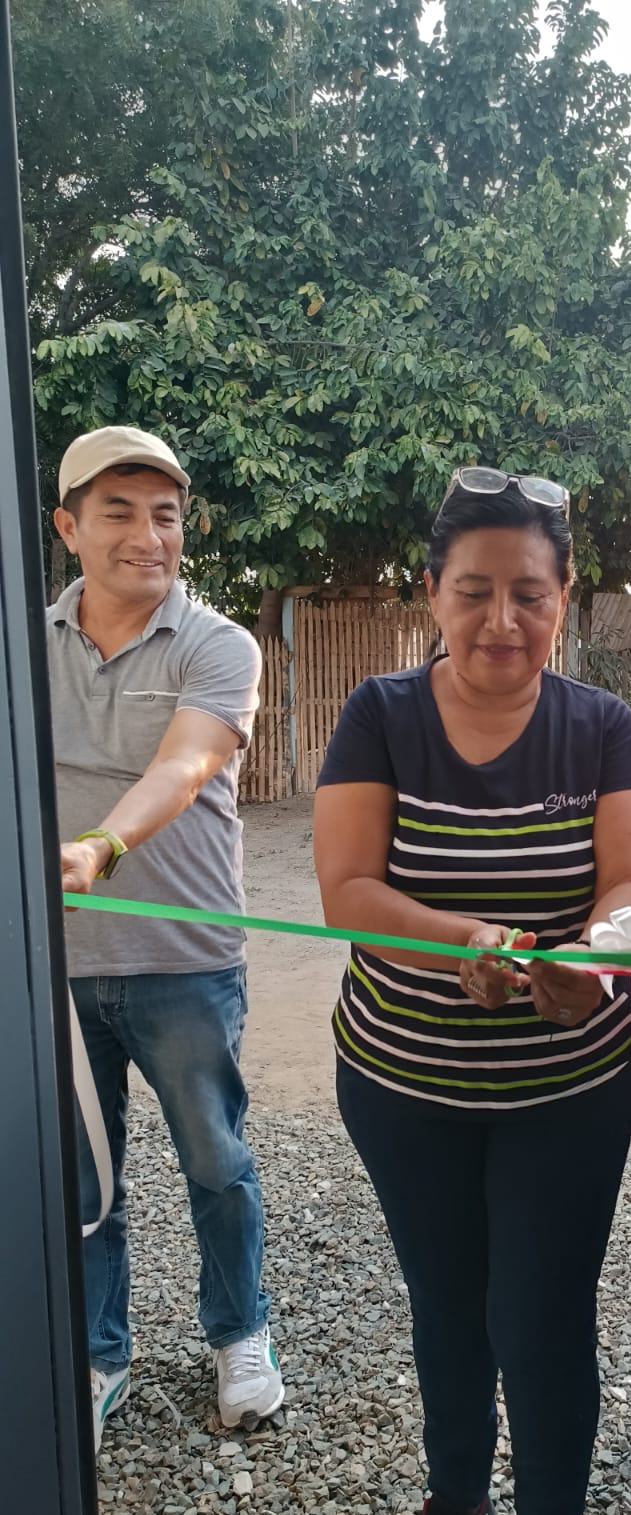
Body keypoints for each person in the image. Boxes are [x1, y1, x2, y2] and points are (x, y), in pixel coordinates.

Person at [312, 467, 631, 1515]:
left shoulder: (602, 727)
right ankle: (458, 1504)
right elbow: (348, 891)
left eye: (530, 594)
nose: (502, 620)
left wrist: (591, 963)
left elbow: (630, 883)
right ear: (432, 592)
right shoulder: (380, 715)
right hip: (402, 1081)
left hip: (567, 1089)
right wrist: (470, 938)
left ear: (565, 597)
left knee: (544, 1320)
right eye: (473, 592)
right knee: (447, 1303)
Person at [49, 426, 281, 1450]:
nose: (149, 536)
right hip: (56, 969)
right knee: (80, 1176)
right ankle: (99, 1354)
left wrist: (99, 844)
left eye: (167, 516)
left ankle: (239, 1333)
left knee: (217, 1162)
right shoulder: (25, 642)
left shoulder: (217, 643)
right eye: (119, 512)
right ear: (68, 528)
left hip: (187, 963)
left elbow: (186, 766)